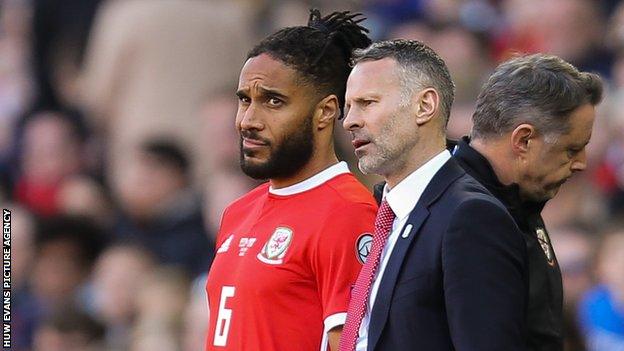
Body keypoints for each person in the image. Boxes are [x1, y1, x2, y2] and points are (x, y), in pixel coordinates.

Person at [339, 39, 528, 351]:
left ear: (424, 106)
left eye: (367, 103)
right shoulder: (380, 215)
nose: (350, 121)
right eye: (348, 108)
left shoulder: (471, 217)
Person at [205, 9, 376, 351]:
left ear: (326, 111)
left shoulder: (347, 213)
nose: (248, 121)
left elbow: (353, 343)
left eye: (273, 101)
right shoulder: (237, 212)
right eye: (245, 100)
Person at [450, 53, 603, 351]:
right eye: (572, 149)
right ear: (523, 141)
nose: (582, 163)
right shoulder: (470, 213)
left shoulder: (519, 199)